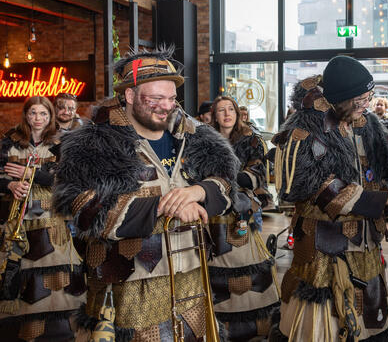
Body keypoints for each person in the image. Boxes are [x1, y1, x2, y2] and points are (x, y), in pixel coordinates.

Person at [53, 48, 249, 341]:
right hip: (130, 283)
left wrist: (200, 191)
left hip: (193, 276)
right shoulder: (93, 145)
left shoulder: (197, 137)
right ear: (130, 95)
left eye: (171, 98)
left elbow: (229, 185)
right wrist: (163, 206)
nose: (166, 106)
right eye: (155, 98)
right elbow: (85, 210)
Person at [270, 55, 388, 341]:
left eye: (369, 96)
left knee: (369, 317)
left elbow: (387, 160)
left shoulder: (366, 123)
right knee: (325, 324)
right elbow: (319, 189)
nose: (367, 103)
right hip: (324, 250)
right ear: (343, 99)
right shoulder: (307, 131)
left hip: (365, 244)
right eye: (361, 98)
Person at [0, 96, 85, 341]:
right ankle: (23, 331)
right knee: (19, 275)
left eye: (43, 114)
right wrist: (11, 184)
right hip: (18, 222)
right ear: (26, 115)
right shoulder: (9, 142)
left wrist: (31, 173)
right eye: (33, 113)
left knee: (57, 279)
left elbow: (68, 180)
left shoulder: (61, 142)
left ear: (51, 116)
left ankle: (62, 333)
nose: (38, 119)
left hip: (53, 222)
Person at [208, 95, 280, 340]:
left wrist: (225, 180)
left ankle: (254, 323)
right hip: (214, 210)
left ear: (237, 114)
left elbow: (257, 171)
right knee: (216, 255)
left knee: (247, 255)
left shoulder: (251, 140)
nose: (227, 114)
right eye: (221, 110)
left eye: (230, 109)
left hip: (244, 207)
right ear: (214, 116)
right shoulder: (207, 140)